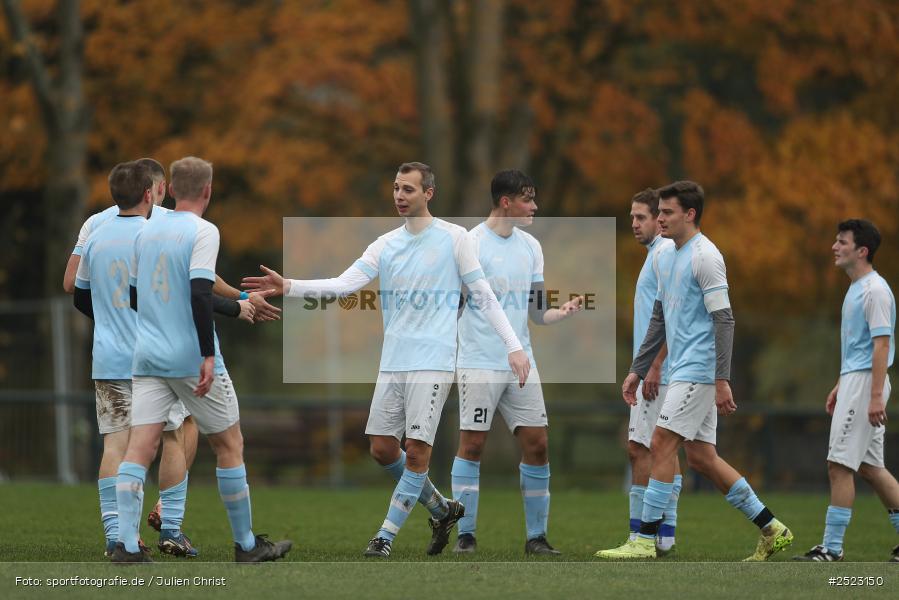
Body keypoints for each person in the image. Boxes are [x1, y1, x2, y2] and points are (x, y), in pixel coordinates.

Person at [242, 162, 529, 558]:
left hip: (434, 361)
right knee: (381, 448)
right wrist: (289, 285)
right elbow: (343, 285)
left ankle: (384, 538)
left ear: (428, 193)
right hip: (393, 361)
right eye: (396, 187)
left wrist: (514, 346)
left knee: (417, 452)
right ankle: (442, 510)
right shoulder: (385, 244)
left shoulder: (455, 237)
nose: (399, 195)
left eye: (408, 189)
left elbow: (482, 294)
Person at [595, 181, 793, 561]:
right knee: (702, 459)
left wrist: (722, 379)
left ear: (690, 214)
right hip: (684, 370)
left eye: (667, 212)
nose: (660, 218)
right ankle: (772, 527)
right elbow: (658, 318)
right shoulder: (666, 256)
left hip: (698, 370)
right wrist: (638, 369)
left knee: (659, 444)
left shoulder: (706, 256)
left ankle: (644, 541)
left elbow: (724, 320)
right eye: (659, 211)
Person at [110, 156, 290, 563]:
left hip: (147, 356)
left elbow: (135, 296)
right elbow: (199, 292)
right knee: (229, 444)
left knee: (140, 448)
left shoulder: (145, 229)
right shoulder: (205, 231)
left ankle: (126, 546)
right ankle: (247, 546)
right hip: (190, 357)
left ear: (171, 189)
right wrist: (207, 353)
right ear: (208, 190)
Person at [449, 169, 581, 556]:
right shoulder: (470, 243)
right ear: (506, 202)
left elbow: (537, 313)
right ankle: (465, 535)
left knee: (537, 444)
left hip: (522, 363)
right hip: (478, 361)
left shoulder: (531, 247)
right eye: (527, 199)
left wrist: (561, 313)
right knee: (473, 445)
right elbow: (455, 306)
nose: (534, 206)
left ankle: (536, 537)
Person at [794, 219, 899, 562]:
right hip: (857, 381)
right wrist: (841, 384)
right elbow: (859, 346)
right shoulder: (856, 287)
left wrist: (873, 396)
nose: (834, 247)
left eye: (842, 242)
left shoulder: (874, 290)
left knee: (839, 465)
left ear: (862, 250)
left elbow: (881, 345)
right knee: (871, 468)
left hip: (866, 384)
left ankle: (832, 548)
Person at [622, 188, 680, 555]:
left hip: (659, 372)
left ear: (659, 220)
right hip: (662, 370)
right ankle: (665, 535)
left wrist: (654, 366)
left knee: (640, 448)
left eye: (641, 217)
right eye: (632, 217)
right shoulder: (659, 254)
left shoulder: (662, 254)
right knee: (665, 451)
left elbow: (672, 316)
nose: (634, 223)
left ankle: (639, 536)